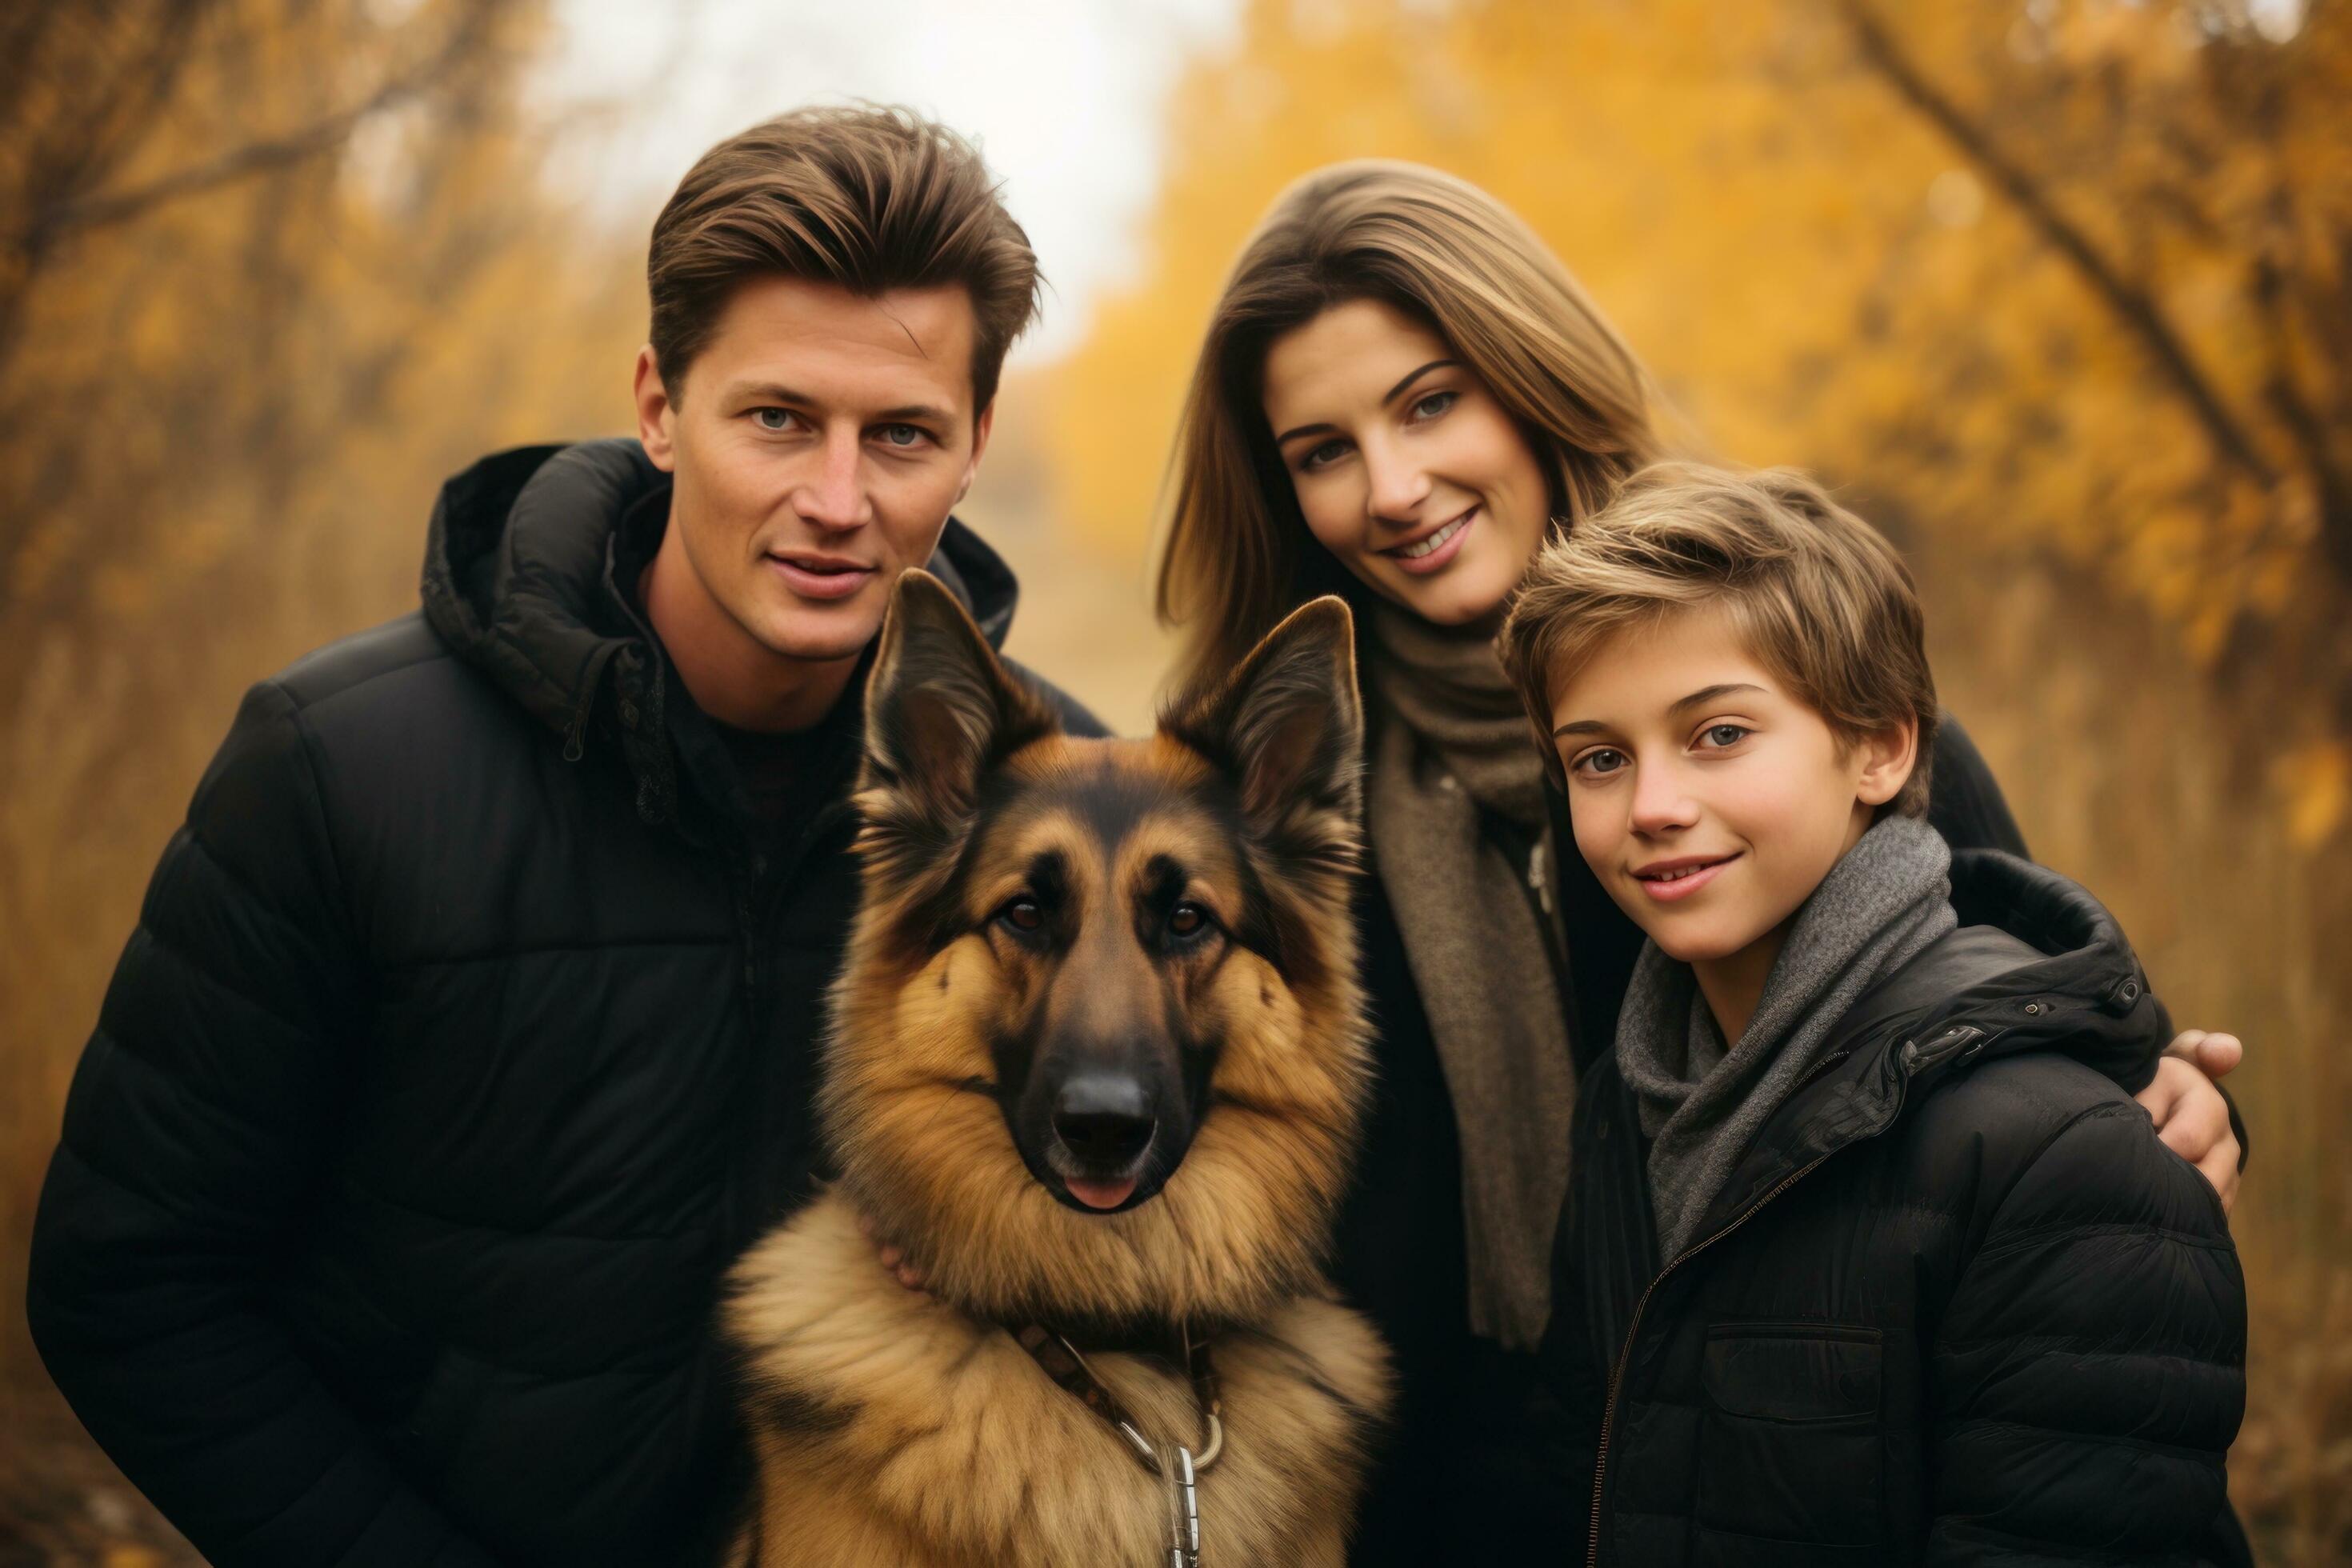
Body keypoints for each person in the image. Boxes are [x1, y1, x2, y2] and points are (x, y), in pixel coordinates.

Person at [26, 106, 1098, 1566]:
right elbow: (134, 1282)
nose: (836, 504)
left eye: (900, 434)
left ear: (974, 445)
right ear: (659, 406)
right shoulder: (343, 765)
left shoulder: (1067, 823)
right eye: (777, 418)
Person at [1153, 158, 2249, 1563]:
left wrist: (2173, 1107)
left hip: (1789, 1455)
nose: (1394, 486)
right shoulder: (1287, 781)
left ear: (1528, 376)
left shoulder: (1781, 673)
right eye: (1322, 450)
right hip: (1428, 1486)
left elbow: (2025, 1055)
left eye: (1432, 403)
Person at [1495, 461, 2246, 1564]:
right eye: (1600, 759)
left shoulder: (2062, 1157)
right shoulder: (1627, 1103)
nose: (1653, 806)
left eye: (1719, 735)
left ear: (1883, 748)